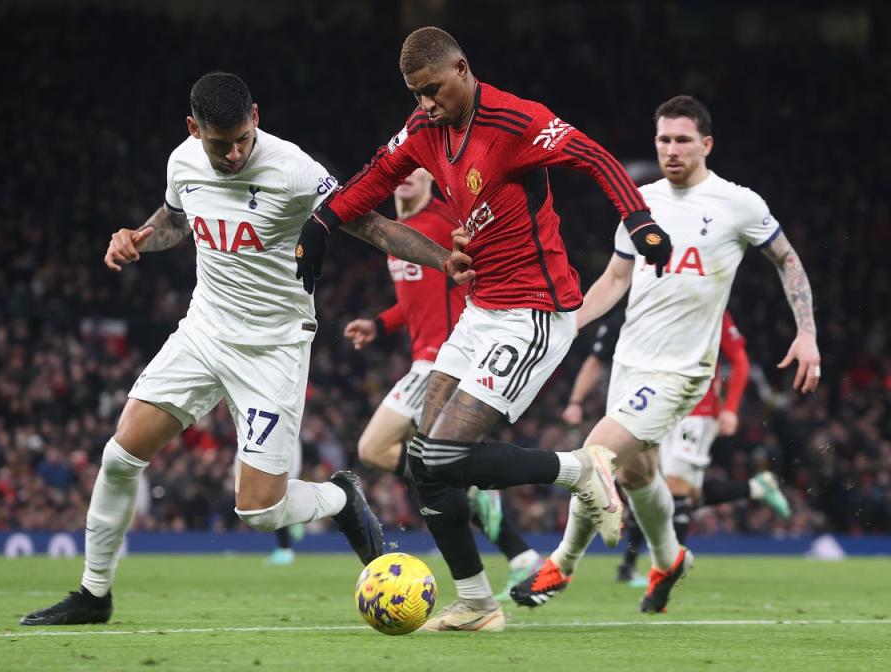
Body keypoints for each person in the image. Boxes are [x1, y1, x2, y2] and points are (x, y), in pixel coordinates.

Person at [20, 72, 474, 626]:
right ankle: (93, 596)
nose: (233, 154)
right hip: (204, 332)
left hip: (273, 349)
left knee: (259, 511)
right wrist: (138, 237)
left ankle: (339, 498)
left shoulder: (293, 169)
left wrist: (440, 258)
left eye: (242, 139)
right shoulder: (182, 161)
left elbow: (372, 226)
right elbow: (175, 220)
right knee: (121, 454)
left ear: (255, 117)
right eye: (219, 144)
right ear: (194, 129)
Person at [294, 27, 672, 631]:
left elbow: (595, 157)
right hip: (479, 311)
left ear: (463, 69)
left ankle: (580, 469)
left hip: (534, 314)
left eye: (433, 89)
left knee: (444, 453)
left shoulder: (516, 123)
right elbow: (373, 177)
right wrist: (321, 223)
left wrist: (641, 221)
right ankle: (477, 603)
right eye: (416, 94)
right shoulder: (425, 131)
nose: (425, 104)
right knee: (423, 461)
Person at [511, 95, 820, 613]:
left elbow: (786, 260)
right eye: (663, 140)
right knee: (635, 474)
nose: (671, 150)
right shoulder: (639, 199)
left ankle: (561, 565)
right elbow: (615, 279)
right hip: (630, 362)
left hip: (682, 370)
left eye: (681, 140)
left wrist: (806, 332)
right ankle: (670, 558)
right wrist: (569, 323)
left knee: (595, 454)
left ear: (706, 144)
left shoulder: (738, 204)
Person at [343, 167, 542, 598]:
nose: (407, 179)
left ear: (433, 181)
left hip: (442, 362)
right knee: (429, 464)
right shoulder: (399, 233)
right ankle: (517, 551)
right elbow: (412, 303)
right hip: (427, 360)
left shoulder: (439, 225)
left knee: (373, 448)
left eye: (418, 173)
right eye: (402, 173)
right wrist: (379, 323)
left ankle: (472, 501)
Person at [561, 309, 791, 584]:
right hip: (656, 404)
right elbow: (599, 358)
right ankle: (756, 488)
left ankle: (656, 571)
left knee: (672, 489)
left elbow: (740, 360)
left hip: (697, 411)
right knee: (659, 487)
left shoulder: (710, 304)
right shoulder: (645, 307)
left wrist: (730, 408)